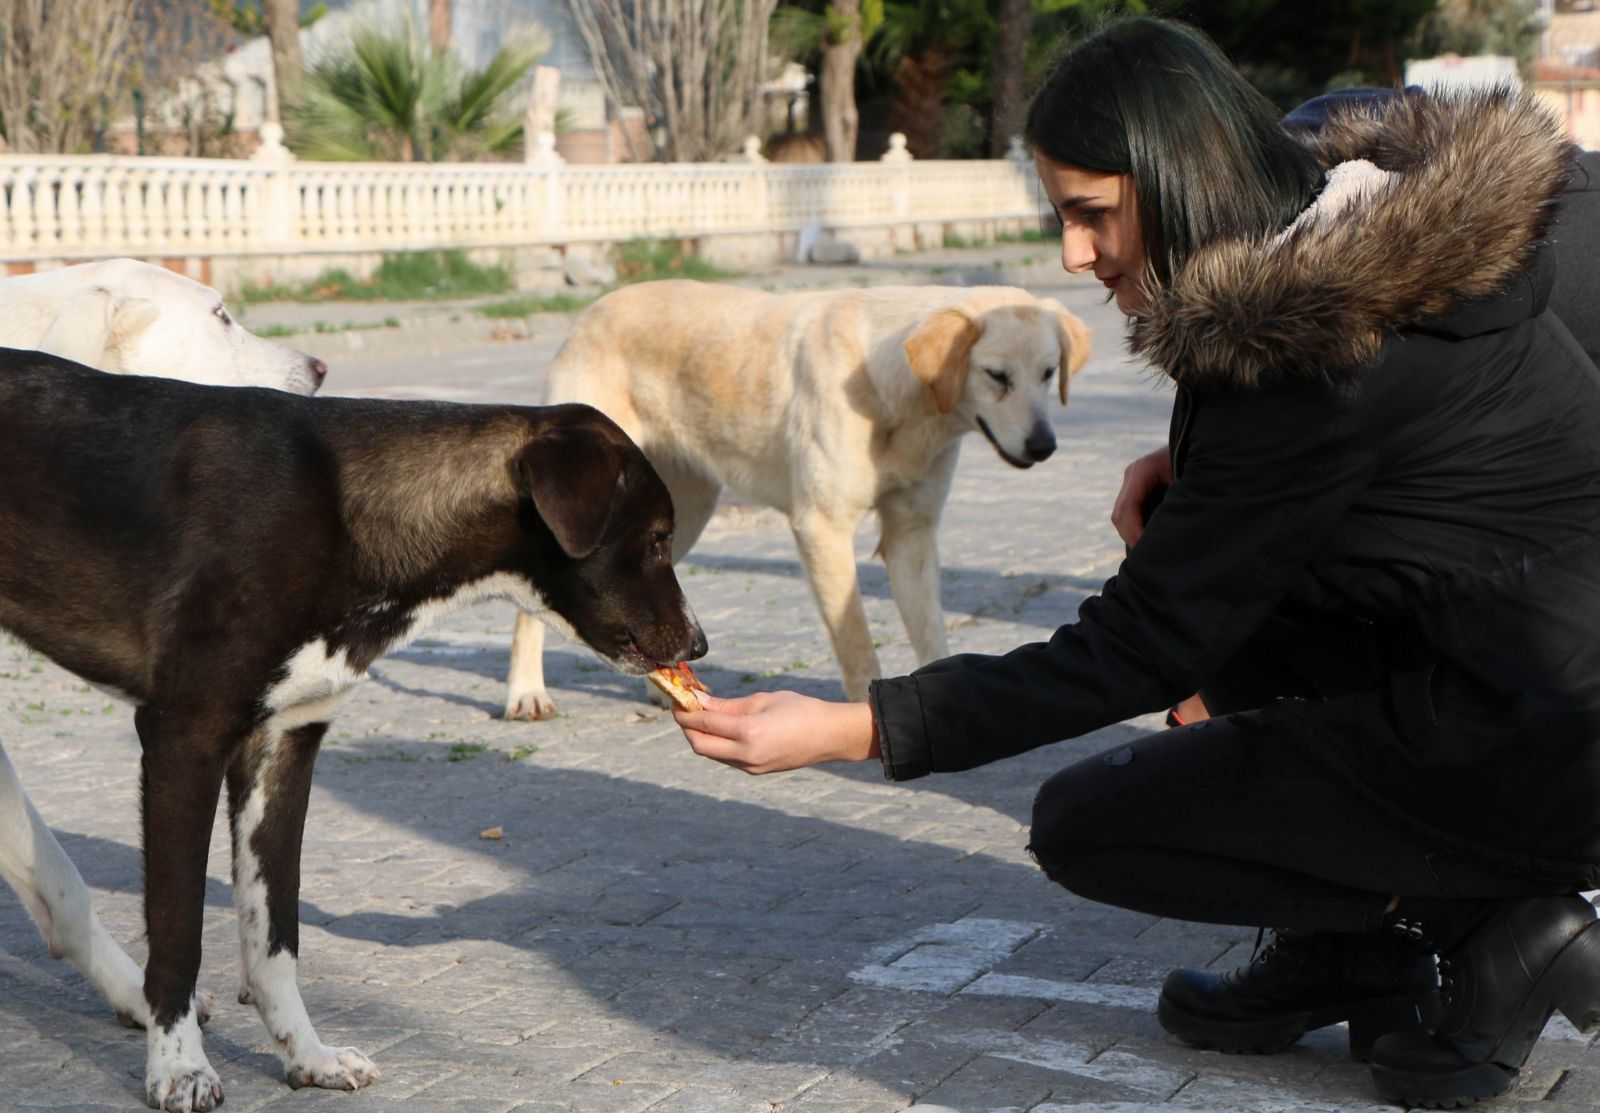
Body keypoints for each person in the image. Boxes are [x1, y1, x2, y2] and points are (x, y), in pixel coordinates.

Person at [673, 15, 1600, 1110]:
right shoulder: (1352, 260)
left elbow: (1139, 648)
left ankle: (1487, 922)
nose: (1072, 253)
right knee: (1195, 549)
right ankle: (1354, 950)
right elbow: (1394, 457)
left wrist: (856, 725)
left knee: (1090, 825)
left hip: (1550, 734)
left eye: (1091, 213)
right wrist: (1196, 473)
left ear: (1176, 173)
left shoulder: (1315, 357)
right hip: (1524, 679)